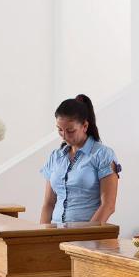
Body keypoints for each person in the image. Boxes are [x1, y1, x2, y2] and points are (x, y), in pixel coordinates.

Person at [39, 95, 120, 226]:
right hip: (54, 234)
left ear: (85, 126)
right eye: (60, 129)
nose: (64, 136)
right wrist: (41, 236)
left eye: (70, 130)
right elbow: (48, 204)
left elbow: (108, 206)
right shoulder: (55, 156)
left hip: (86, 237)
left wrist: (85, 235)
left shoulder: (103, 155)